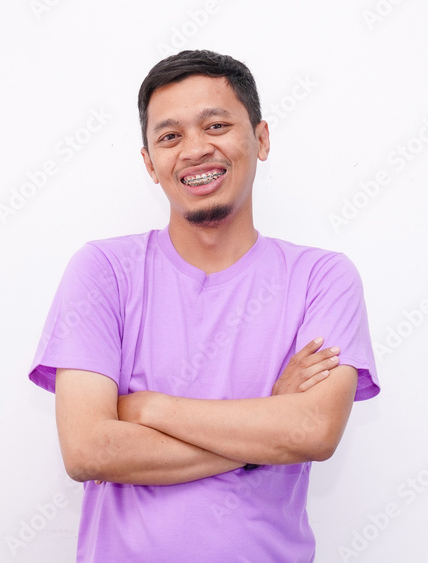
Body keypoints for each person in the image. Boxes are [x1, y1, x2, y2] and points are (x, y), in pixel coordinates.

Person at [27, 49, 380, 562]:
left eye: (215, 125)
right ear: (149, 163)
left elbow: (313, 431)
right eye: (170, 136)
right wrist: (265, 428)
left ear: (260, 139)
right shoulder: (103, 271)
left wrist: (148, 409)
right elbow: (88, 450)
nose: (194, 149)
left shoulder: (322, 279)